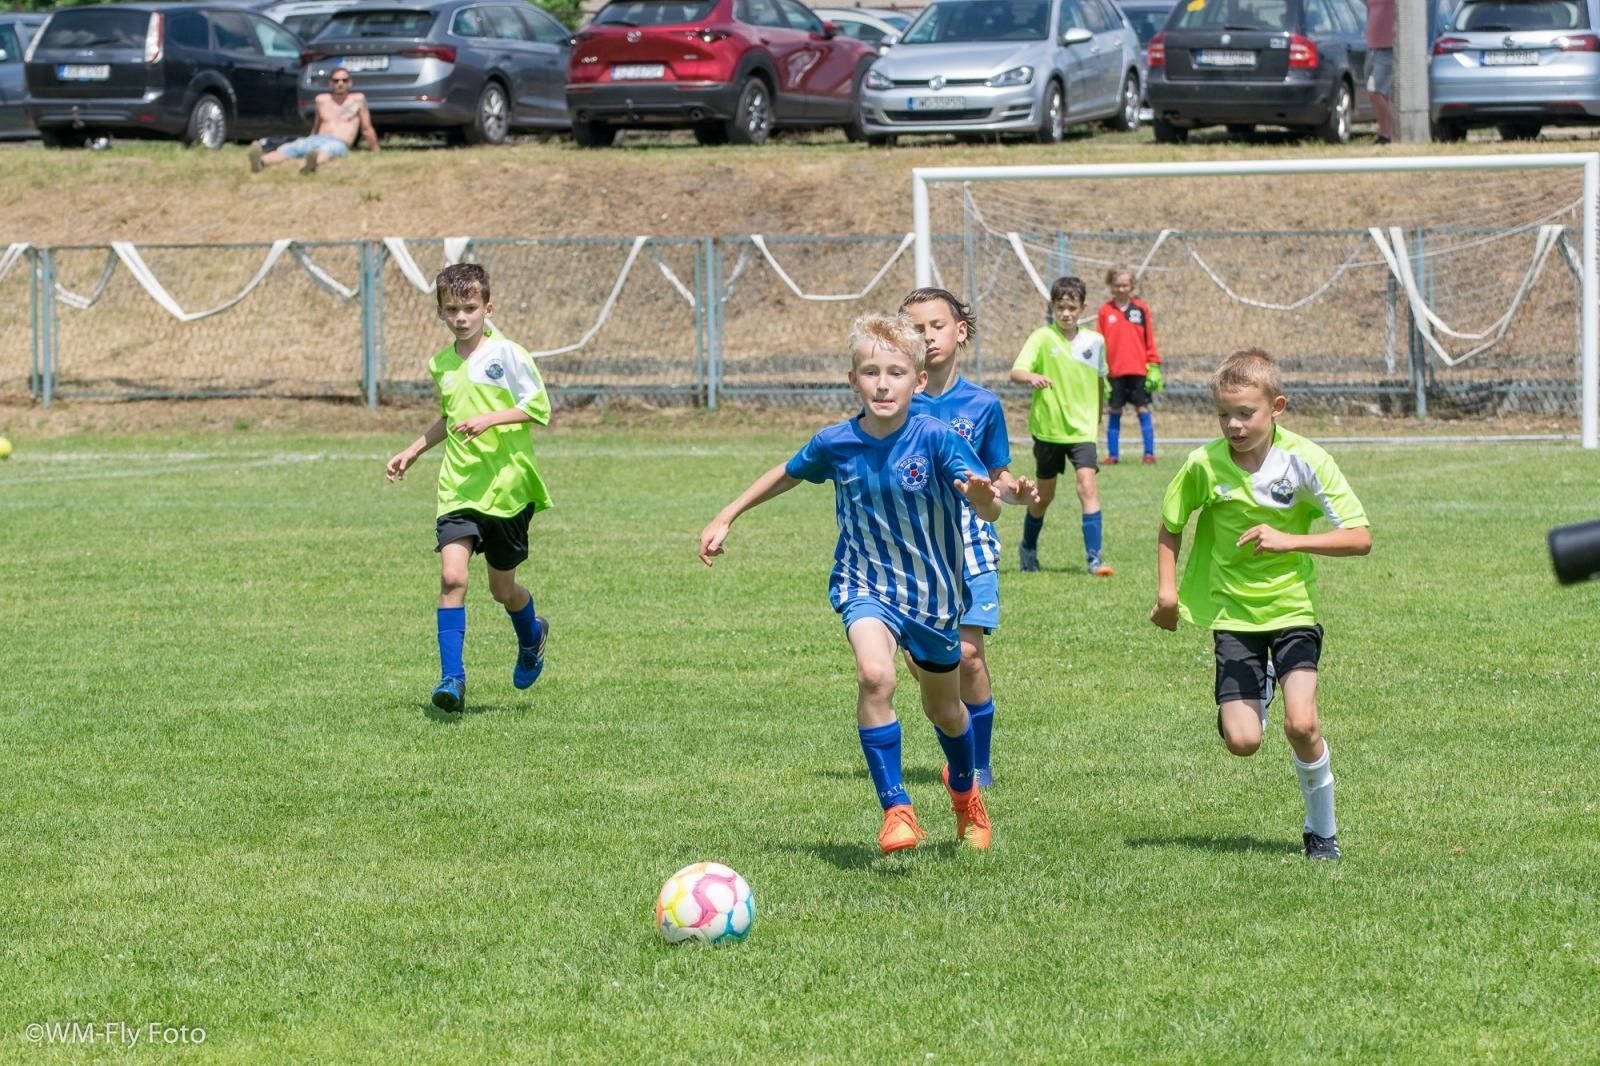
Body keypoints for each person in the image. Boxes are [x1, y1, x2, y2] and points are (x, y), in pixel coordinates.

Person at [698, 312, 1000, 854]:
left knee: (946, 712)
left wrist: (985, 497)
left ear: (918, 381)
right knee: (875, 674)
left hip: (931, 597)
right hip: (864, 583)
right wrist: (729, 513)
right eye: (870, 372)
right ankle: (897, 808)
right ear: (853, 379)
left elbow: (985, 499)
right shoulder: (837, 443)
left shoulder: (935, 437)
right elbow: (788, 472)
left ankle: (963, 792)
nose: (883, 384)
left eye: (896, 372)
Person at [1150, 349, 1372, 861]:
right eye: (1223, 414)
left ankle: (1322, 832)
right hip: (1232, 615)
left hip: (1294, 610)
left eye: (1245, 413)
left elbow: (1360, 538)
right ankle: (1255, 694)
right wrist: (1167, 593)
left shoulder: (1306, 460)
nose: (1233, 425)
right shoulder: (1203, 464)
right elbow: (1171, 523)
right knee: (1244, 741)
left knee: (1303, 725)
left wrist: (1289, 541)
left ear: (1277, 407)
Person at [384, 264, 551, 714]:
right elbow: (450, 416)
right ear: (440, 312)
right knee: (452, 577)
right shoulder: (441, 364)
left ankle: (532, 635)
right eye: (452, 309)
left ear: (487, 308)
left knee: (503, 591)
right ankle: (452, 680)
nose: (461, 317)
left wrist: (490, 419)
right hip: (458, 486)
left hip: (508, 488)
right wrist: (414, 449)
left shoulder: (510, 355)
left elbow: (538, 407)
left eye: (470, 308)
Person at [901, 287, 1039, 789]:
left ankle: (977, 766)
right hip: (912, 545)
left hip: (969, 537)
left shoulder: (982, 404)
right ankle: (955, 732)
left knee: (970, 655)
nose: (926, 336)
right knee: (925, 663)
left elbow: (995, 474)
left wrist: (1015, 490)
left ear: (960, 332)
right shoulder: (896, 400)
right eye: (915, 329)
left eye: (935, 325)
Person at [1009, 275, 1113, 576]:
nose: (1066, 313)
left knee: (1087, 486)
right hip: (1048, 429)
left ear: (1082, 308)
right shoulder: (1042, 337)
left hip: (1082, 430)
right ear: (1052, 308)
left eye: (1072, 307)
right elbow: (1016, 371)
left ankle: (1095, 561)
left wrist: (1097, 418)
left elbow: (1099, 381)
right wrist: (1031, 377)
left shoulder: (1095, 342)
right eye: (1060, 308)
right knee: (1044, 497)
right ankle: (1028, 548)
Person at [250, 67, 379, 175]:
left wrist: (375, 150)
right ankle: (261, 162)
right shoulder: (321, 100)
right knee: (292, 147)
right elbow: (317, 126)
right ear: (330, 83)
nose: (340, 83)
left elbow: (366, 128)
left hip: (339, 141)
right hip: (316, 138)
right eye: (336, 80)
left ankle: (311, 164)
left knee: (328, 150)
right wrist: (309, 139)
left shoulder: (358, 100)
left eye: (344, 80)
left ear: (350, 83)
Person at [1097, 265, 1162, 466]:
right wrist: (1100, 368)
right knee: (1114, 410)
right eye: (1117, 285)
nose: (1121, 289)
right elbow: (1099, 342)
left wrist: (1154, 364)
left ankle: (1149, 453)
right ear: (1111, 286)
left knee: (1142, 409)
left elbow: (1149, 338)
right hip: (1114, 371)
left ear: (1132, 285)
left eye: (1125, 285)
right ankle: (1113, 454)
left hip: (1138, 370)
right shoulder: (1105, 311)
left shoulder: (1141, 309)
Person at [1364, 0, 1395, 145]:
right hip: (1372, 49)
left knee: (1374, 90)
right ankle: (1385, 133)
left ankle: (1386, 134)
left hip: (1388, 49)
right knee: (1381, 94)